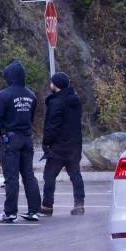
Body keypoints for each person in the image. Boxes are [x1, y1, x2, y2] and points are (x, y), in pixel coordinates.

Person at [0, 61, 41, 223]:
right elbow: (31, 119)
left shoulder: (3, 96)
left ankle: (10, 212)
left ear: (9, 77)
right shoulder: (31, 95)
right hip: (27, 138)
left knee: (11, 178)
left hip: (10, 140)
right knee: (28, 175)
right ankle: (34, 210)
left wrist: (1, 133)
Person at [41, 72, 85, 216]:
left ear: (56, 85)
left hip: (58, 147)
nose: (50, 85)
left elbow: (52, 125)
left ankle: (47, 206)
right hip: (74, 145)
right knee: (75, 175)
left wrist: (46, 142)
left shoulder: (56, 102)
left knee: (49, 176)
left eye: (52, 82)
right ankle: (79, 204)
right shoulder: (75, 100)